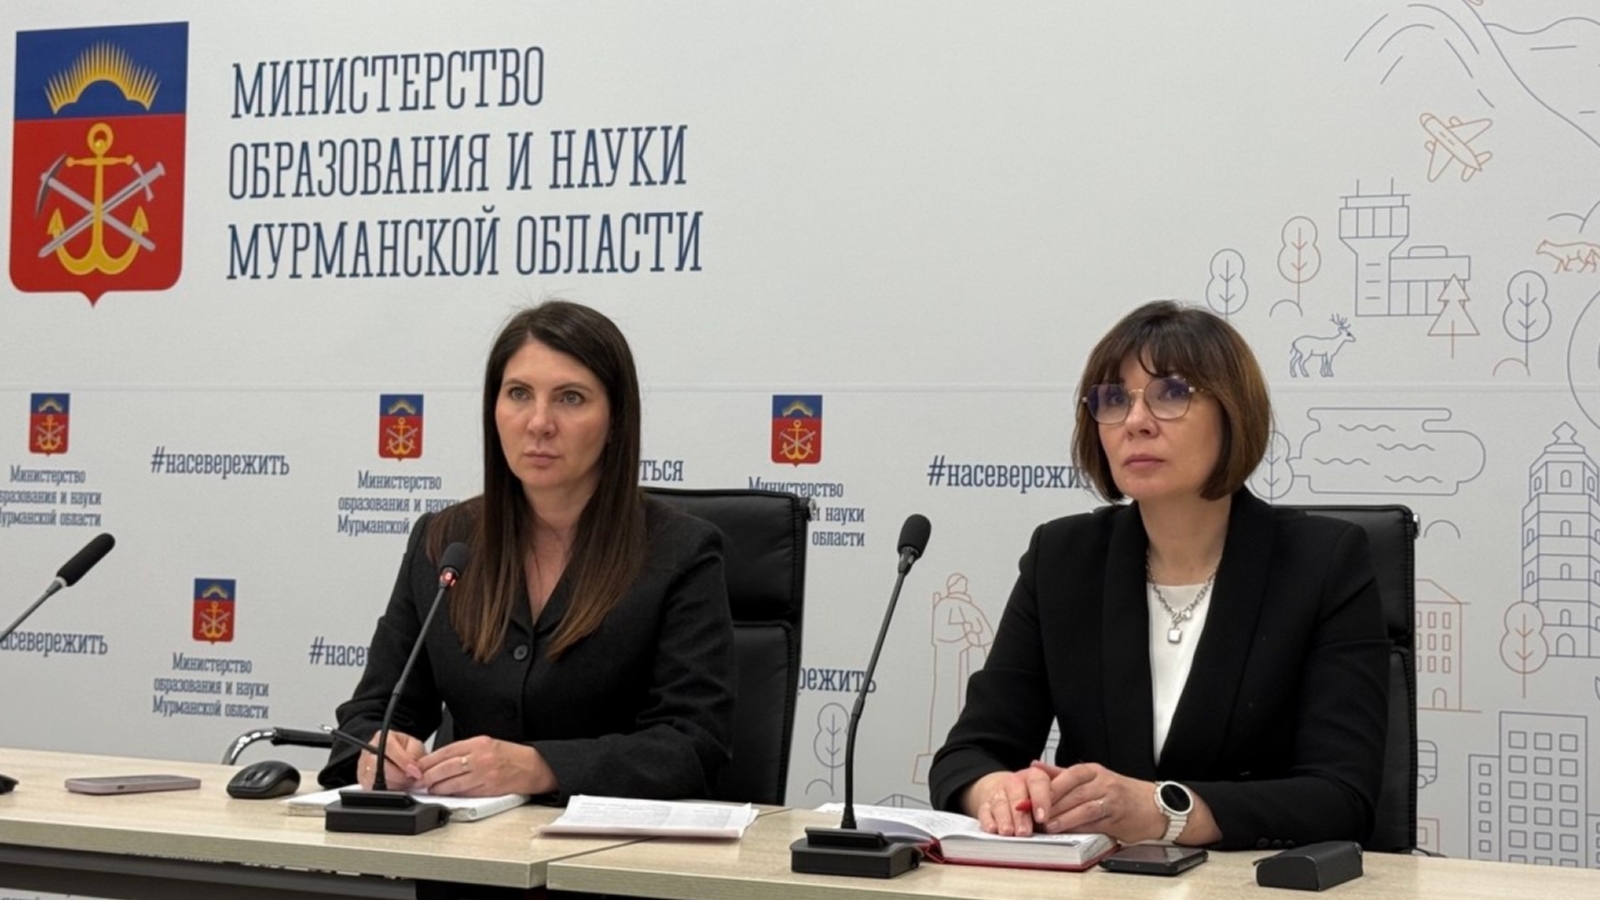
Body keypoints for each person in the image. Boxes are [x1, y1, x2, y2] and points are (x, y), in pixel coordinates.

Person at [927, 300, 1388, 850]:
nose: (1136, 422)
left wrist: (1164, 812)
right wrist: (998, 791)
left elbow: (1341, 798)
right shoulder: (1064, 559)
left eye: (1171, 394)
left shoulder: (1323, 562)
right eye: (1114, 400)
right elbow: (969, 755)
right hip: (1096, 882)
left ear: (1233, 412)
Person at [320, 300, 736, 801]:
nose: (539, 422)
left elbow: (693, 745)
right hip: (463, 845)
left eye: (570, 398)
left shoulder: (679, 552)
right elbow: (373, 713)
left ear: (615, 419)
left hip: (611, 847)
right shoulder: (445, 541)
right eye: (519, 394)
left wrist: (543, 768)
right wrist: (377, 750)